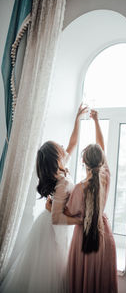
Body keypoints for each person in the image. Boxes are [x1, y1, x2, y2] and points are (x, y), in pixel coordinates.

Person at [0, 104, 87, 293]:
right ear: (56, 158)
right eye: (59, 147)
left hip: (51, 223)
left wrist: (77, 120)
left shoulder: (60, 169)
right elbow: (57, 217)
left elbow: (72, 143)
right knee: (52, 274)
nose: (65, 147)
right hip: (53, 229)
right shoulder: (62, 180)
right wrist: (80, 220)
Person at [47, 109, 118, 293]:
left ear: (83, 163)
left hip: (84, 238)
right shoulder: (106, 177)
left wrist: (50, 207)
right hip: (103, 235)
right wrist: (96, 121)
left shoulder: (80, 188)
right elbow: (101, 146)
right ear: (101, 161)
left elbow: (66, 214)